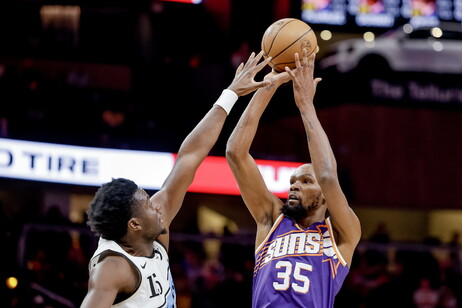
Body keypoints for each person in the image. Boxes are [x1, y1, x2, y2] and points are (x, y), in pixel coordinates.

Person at [80, 51, 272, 308]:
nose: (156, 205)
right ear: (134, 224)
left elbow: (189, 156)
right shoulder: (113, 267)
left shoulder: (154, 230)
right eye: (147, 204)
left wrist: (232, 93)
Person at [226, 49, 361, 307]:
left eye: (306, 181)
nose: (295, 186)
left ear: (324, 196)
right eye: (292, 182)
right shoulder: (272, 220)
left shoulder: (342, 233)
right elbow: (235, 152)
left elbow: (327, 176)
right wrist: (270, 83)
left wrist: (305, 105)